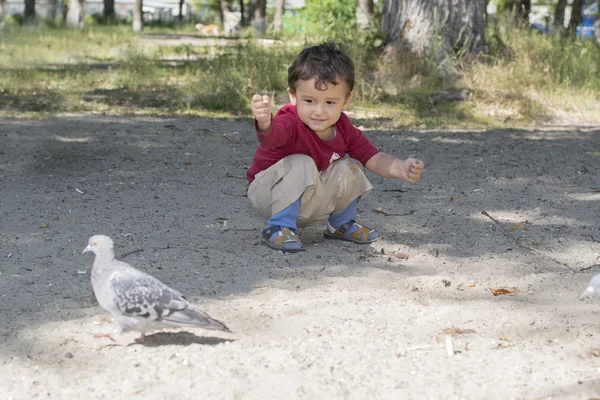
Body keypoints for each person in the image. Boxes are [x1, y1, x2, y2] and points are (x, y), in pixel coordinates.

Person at [247, 41, 425, 253]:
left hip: (309, 198)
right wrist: (266, 121)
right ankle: (279, 226)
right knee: (302, 161)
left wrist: (400, 167)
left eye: (330, 102)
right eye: (310, 100)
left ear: (346, 100)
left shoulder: (343, 128)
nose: (319, 111)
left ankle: (341, 224)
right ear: (293, 96)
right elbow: (272, 138)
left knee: (348, 166)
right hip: (269, 193)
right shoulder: (289, 120)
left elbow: (373, 157)